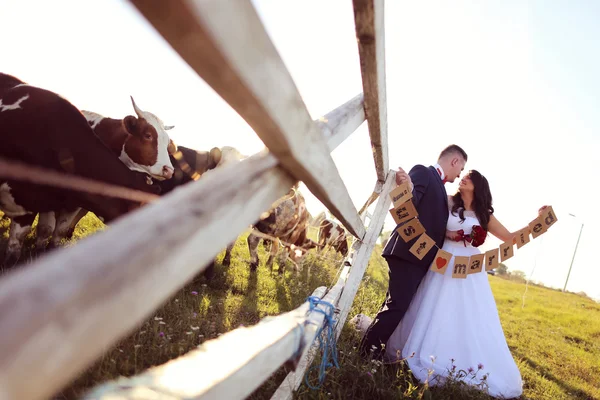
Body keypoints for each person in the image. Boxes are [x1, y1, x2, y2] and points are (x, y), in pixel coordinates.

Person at [382, 170, 545, 398]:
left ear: (478, 185)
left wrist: (537, 223)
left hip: (470, 268)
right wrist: (448, 233)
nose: (463, 178)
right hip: (443, 260)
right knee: (431, 304)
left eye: (469, 177)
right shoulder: (448, 202)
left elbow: (510, 238)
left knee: (465, 313)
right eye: (463, 176)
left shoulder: (484, 214)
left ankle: (457, 357)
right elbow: (430, 220)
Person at [359, 144, 468, 359]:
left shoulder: (440, 186)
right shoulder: (423, 172)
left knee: (394, 304)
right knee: (397, 306)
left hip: (418, 256)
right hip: (408, 252)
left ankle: (371, 348)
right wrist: (408, 187)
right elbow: (412, 204)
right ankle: (367, 353)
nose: (459, 176)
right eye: (461, 169)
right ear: (454, 162)